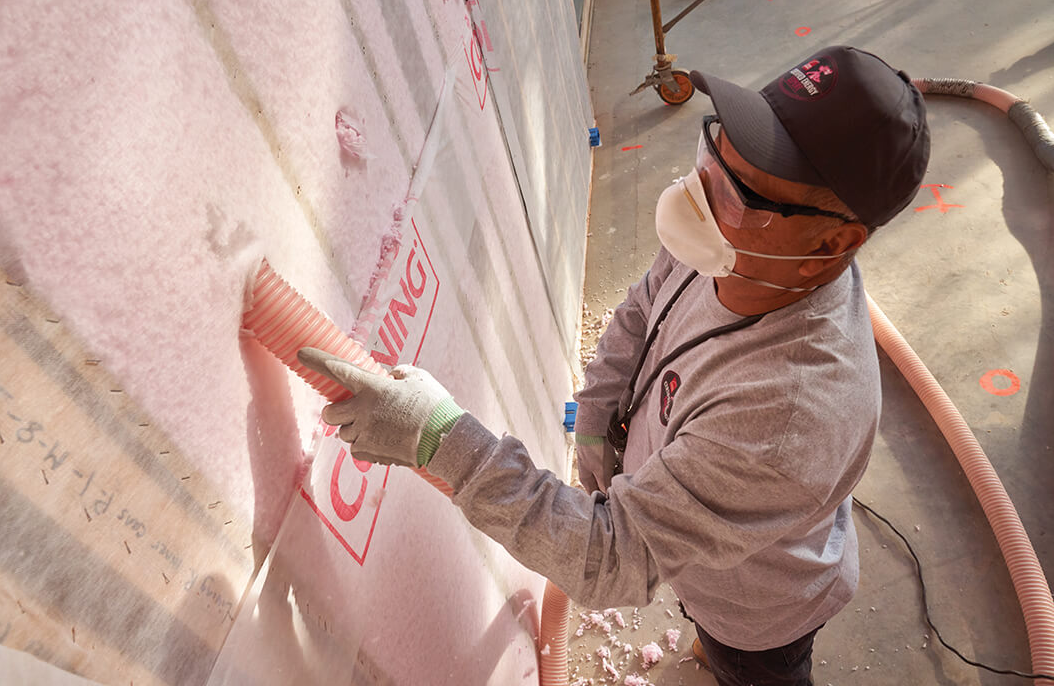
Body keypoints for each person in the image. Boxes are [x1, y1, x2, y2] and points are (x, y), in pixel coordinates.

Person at [298, 44, 931, 686]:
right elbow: (644, 308)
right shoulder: (735, 246)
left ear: (831, 242)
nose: (696, 198)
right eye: (712, 153)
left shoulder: (788, 414)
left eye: (737, 193)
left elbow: (609, 559)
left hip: (760, 607)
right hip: (709, 559)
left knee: (751, 665)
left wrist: (436, 438)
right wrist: (599, 421)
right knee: (708, 611)